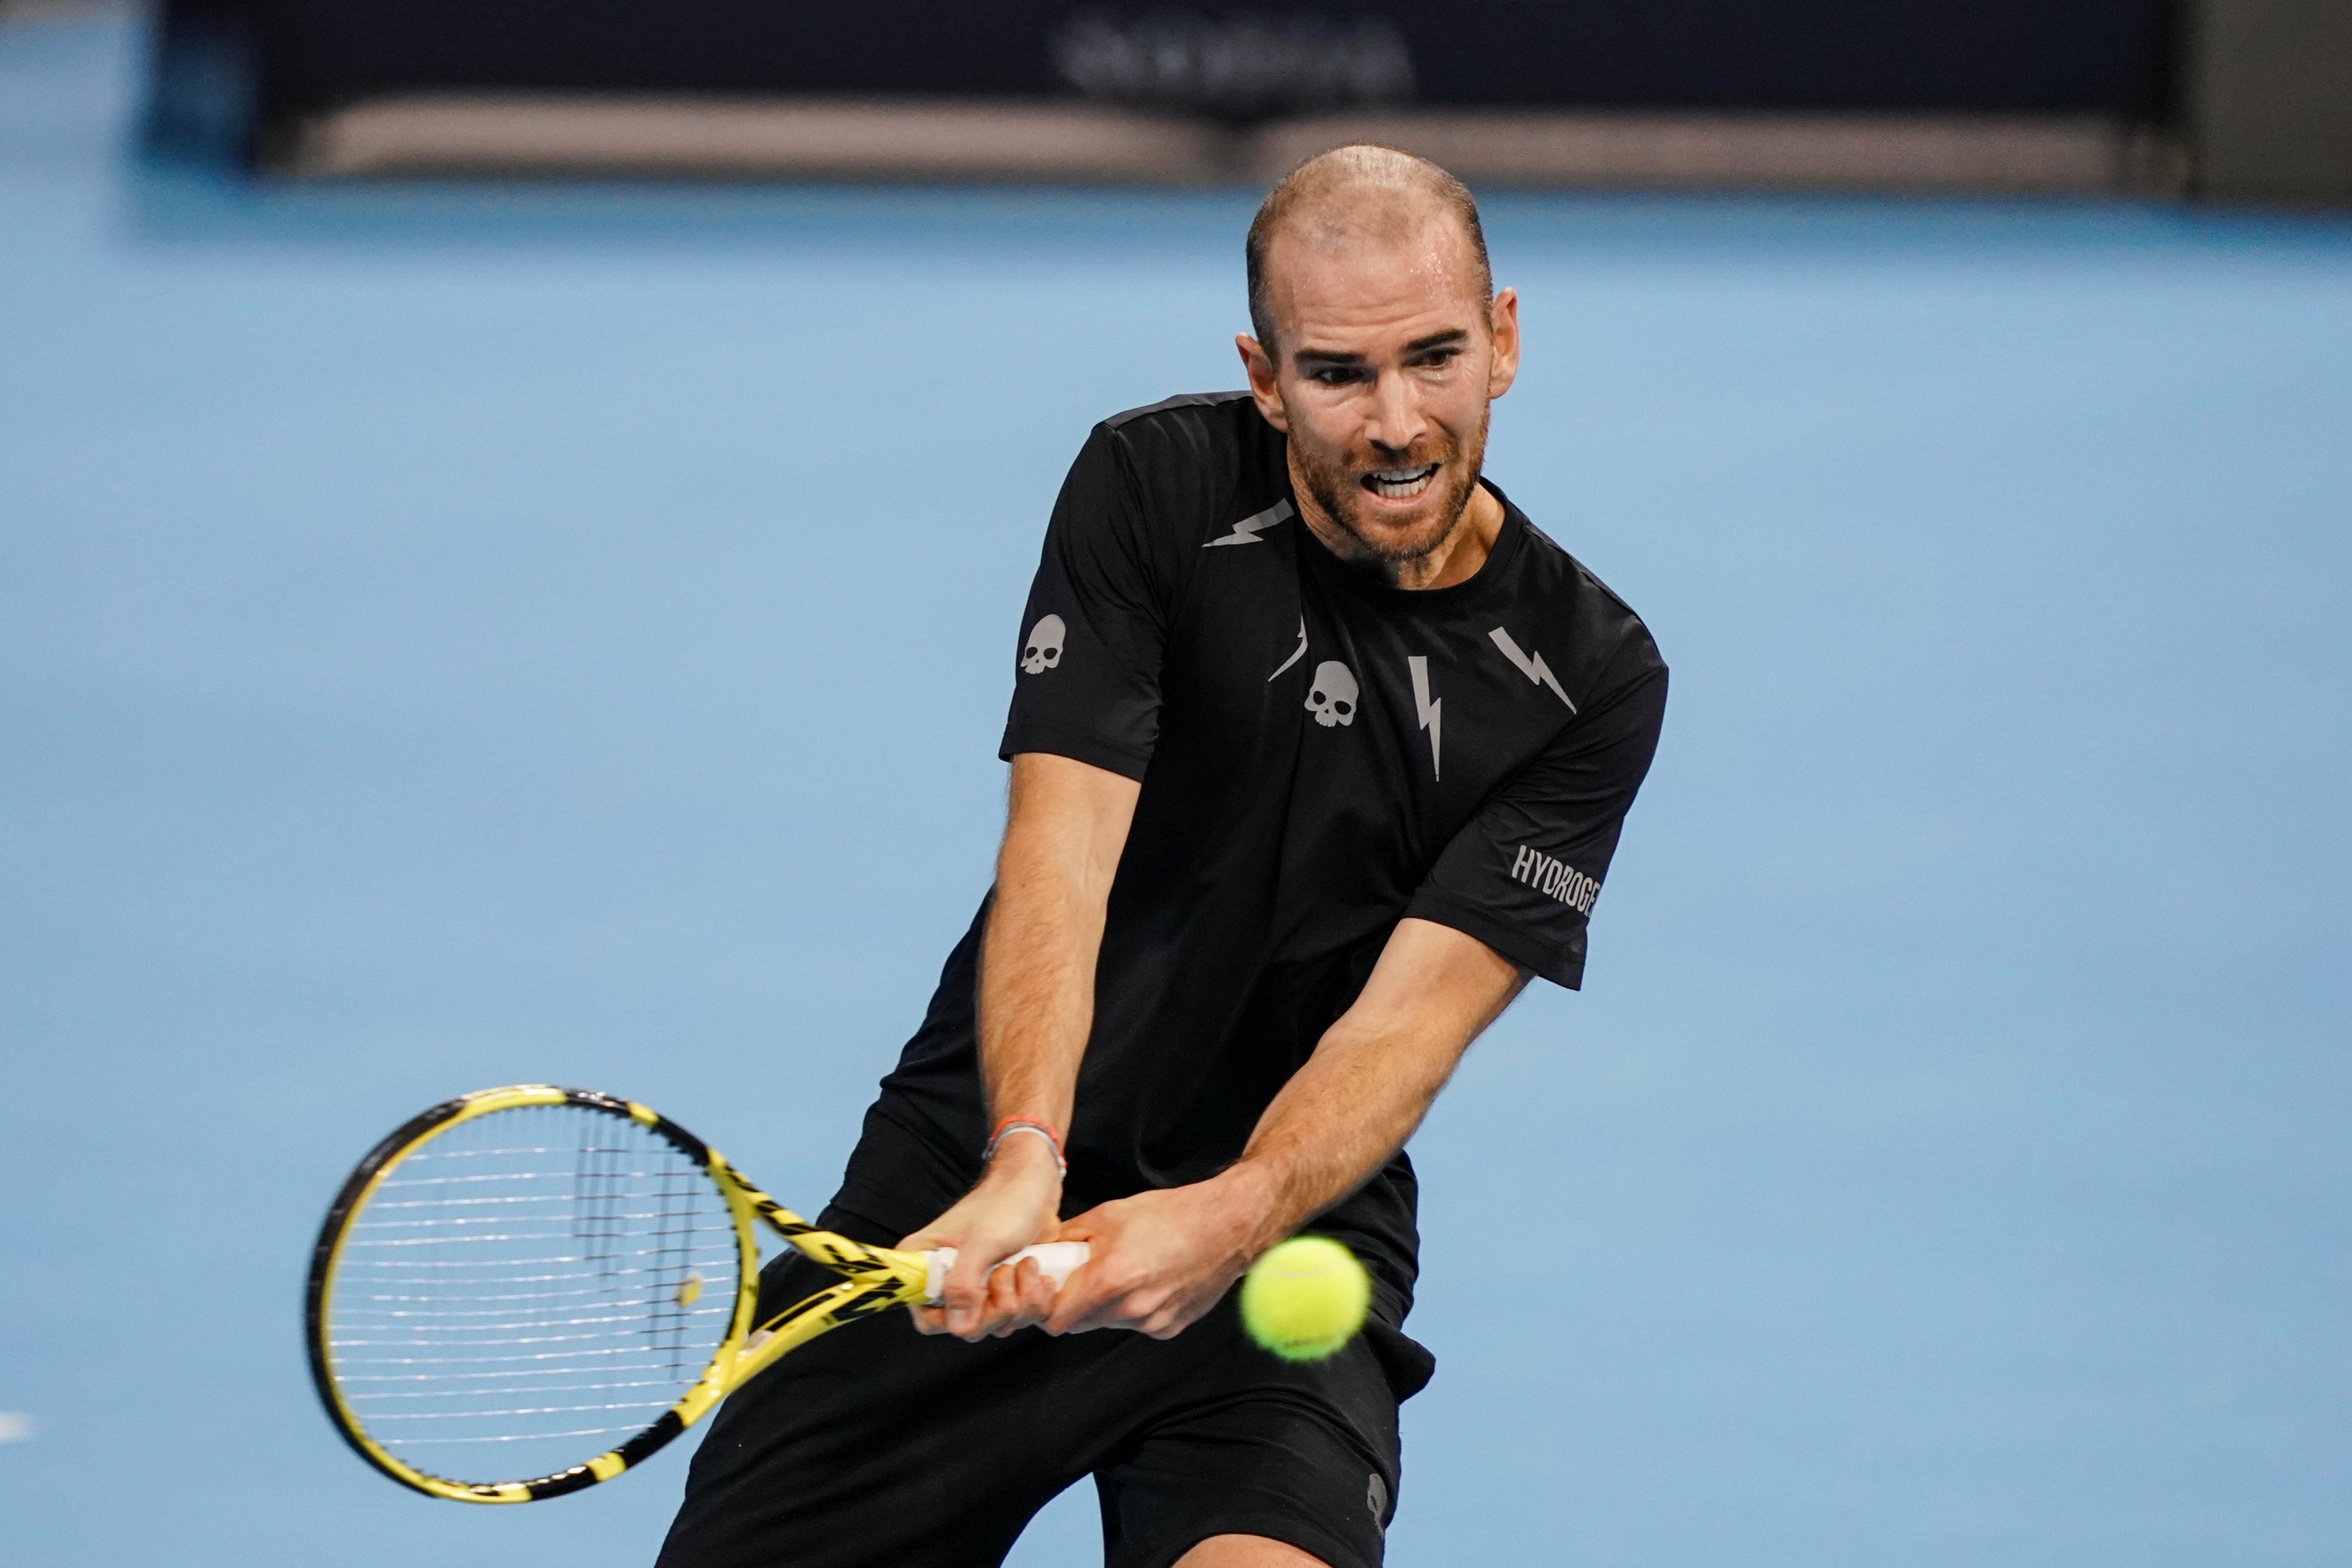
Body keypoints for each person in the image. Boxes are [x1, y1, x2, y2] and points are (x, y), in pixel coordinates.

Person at [656, 144, 1668, 1568]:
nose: (1396, 424)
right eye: (1336, 374)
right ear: (1264, 377)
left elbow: (1406, 1026)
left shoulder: (1586, 674)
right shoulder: (1153, 487)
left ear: (1501, 340)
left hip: (1282, 1221)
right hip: (982, 1178)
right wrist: (1025, 1151)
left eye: (1433, 358)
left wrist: (1232, 1218)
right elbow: (1059, 850)